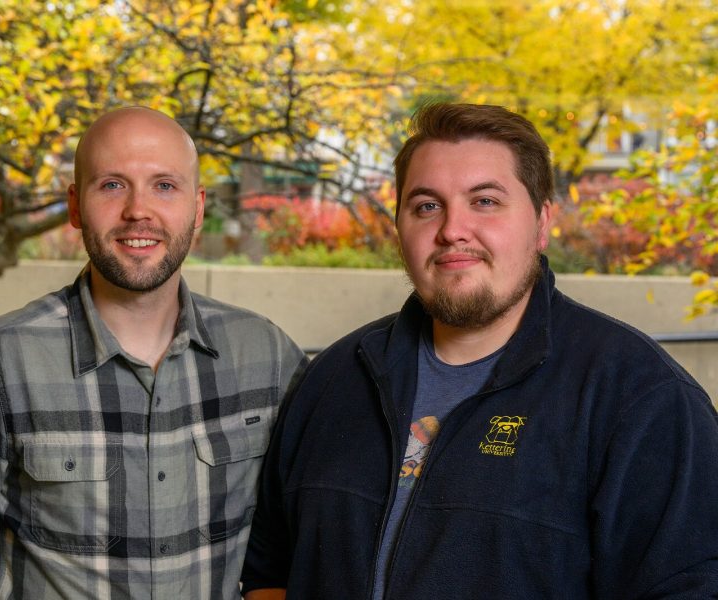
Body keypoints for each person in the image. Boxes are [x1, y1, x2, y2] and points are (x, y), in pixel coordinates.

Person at [241, 103, 718, 599]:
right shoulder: (334, 378)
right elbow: (270, 572)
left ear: (541, 221)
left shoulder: (641, 398)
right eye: (426, 205)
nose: (452, 230)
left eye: (485, 201)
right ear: (400, 228)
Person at [0, 107, 306, 599]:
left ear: (198, 206)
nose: (138, 211)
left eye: (164, 185)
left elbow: (311, 538)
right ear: (76, 207)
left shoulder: (267, 356)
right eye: (112, 185)